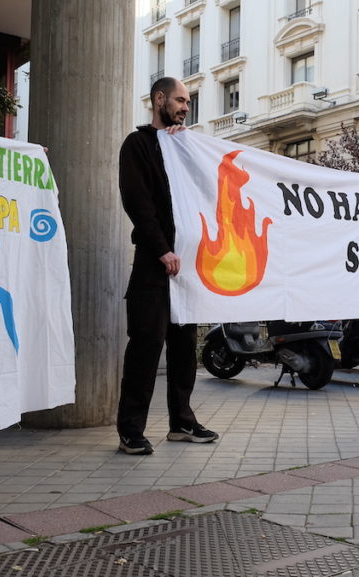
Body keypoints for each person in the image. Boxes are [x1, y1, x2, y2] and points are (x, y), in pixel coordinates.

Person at [116, 77, 218, 454]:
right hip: (153, 263)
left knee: (183, 345)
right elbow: (137, 201)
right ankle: (131, 430)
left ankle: (182, 422)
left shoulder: (183, 147)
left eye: (188, 102)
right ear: (159, 99)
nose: (185, 107)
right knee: (145, 346)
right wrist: (162, 249)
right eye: (179, 100)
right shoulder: (138, 145)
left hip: (188, 266)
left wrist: (184, 148)